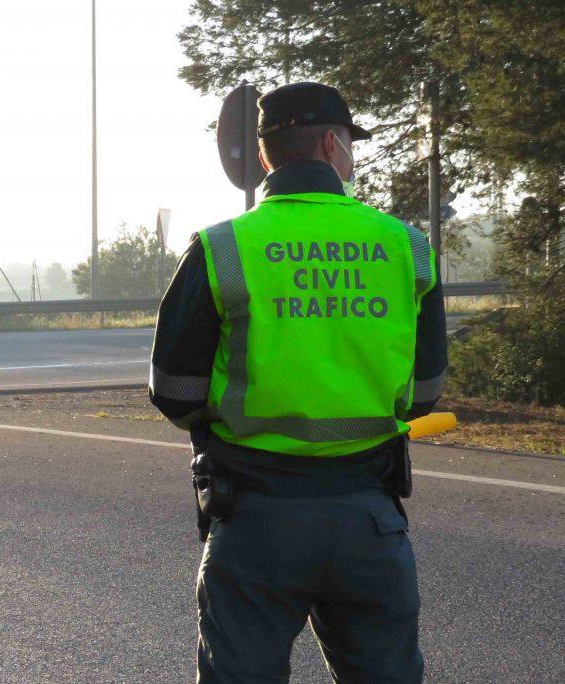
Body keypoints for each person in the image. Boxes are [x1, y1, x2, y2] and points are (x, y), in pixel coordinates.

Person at [149, 82, 447, 683]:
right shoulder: (406, 247)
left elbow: (173, 392)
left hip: (255, 518)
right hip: (369, 518)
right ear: (334, 145)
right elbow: (424, 394)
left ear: (265, 157)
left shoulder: (221, 247)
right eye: (350, 146)